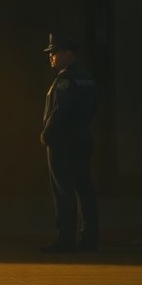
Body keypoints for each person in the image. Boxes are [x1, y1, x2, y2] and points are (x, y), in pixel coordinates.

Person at [39, 33, 99, 252]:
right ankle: (90, 238)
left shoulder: (64, 80)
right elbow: (94, 107)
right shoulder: (86, 77)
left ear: (67, 54)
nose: (51, 57)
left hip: (63, 140)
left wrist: (47, 133)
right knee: (85, 188)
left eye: (54, 53)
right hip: (82, 136)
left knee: (63, 189)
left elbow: (59, 111)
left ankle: (65, 239)